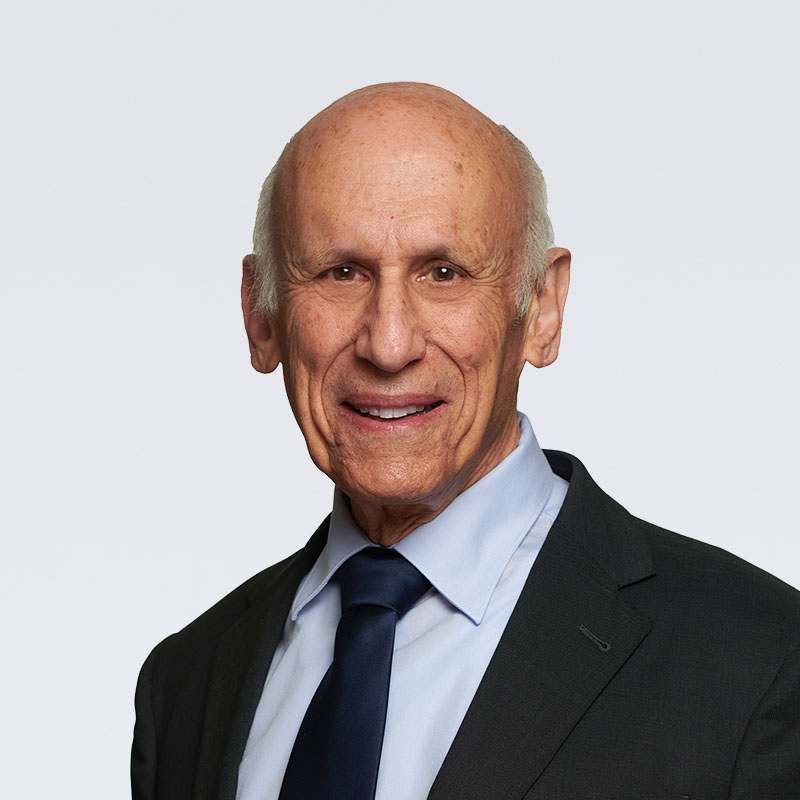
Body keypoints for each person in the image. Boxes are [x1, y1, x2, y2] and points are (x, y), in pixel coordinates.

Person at [131, 83, 800, 799]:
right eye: (341, 272)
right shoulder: (187, 682)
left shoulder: (760, 666)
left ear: (541, 307)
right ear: (261, 315)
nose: (389, 344)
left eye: (444, 274)